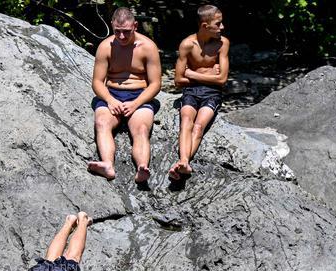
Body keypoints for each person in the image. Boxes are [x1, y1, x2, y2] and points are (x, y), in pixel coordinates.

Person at [87, 8, 162, 183]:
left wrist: (135, 104)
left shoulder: (148, 47)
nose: (121, 36)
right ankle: (107, 164)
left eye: (126, 32)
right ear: (112, 25)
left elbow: (156, 84)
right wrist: (110, 100)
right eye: (117, 32)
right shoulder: (106, 46)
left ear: (135, 26)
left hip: (140, 95)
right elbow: (97, 82)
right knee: (102, 123)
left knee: (141, 129)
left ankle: (142, 167)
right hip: (112, 93)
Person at [169, 4, 230, 180]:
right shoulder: (187, 45)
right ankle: (183, 161)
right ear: (205, 26)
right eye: (218, 24)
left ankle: (183, 162)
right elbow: (178, 81)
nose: (222, 27)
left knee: (198, 126)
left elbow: (222, 80)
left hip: (212, 93)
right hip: (191, 91)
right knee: (186, 121)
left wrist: (192, 73)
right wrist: (209, 73)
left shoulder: (222, 44)